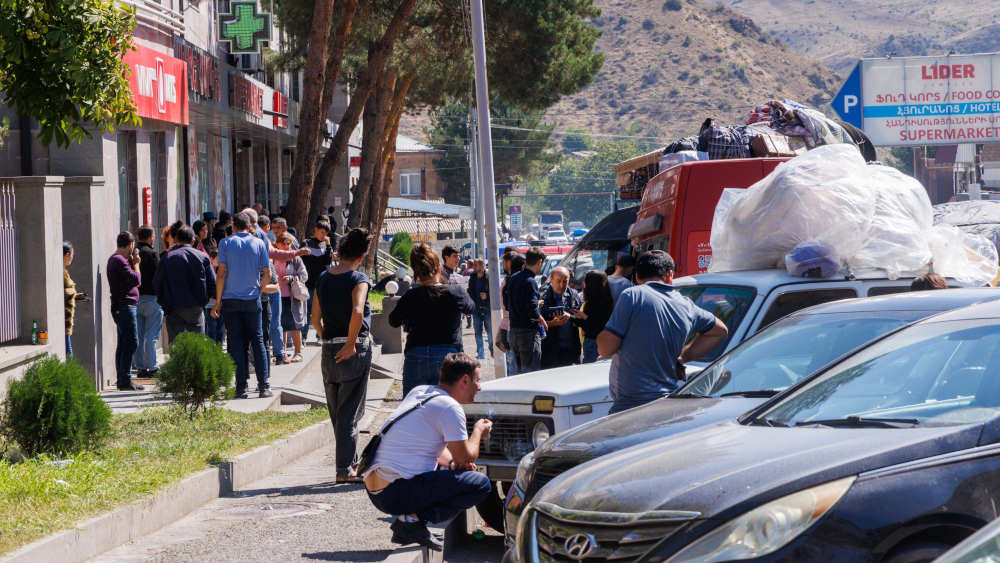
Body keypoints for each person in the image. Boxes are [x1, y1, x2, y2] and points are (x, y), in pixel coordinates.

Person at [364, 353, 493, 551]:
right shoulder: (450, 407)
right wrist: (478, 431)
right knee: (480, 485)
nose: (480, 387)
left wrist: (453, 464)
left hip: (377, 489)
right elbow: (466, 456)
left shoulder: (421, 391)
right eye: (478, 380)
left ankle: (410, 522)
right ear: (465, 380)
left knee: (458, 472)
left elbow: (431, 449)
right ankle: (411, 522)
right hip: (394, 493)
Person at [597, 250, 728, 413]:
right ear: (669, 275)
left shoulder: (633, 295)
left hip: (631, 407)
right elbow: (720, 330)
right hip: (667, 406)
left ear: (637, 276)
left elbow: (605, 349)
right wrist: (683, 357)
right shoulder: (687, 305)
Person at [312, 228, 374, 483]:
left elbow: (315, 319)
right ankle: (344, 469)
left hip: (328, 348)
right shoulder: (359, 279)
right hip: (354, 348)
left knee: (338, 412)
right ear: (360, 256)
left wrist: (328, 337)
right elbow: (358, 311)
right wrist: (349, 343)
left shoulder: (324, 278)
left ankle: (350, 462)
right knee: (349, 410)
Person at [390, 244, 475, 395]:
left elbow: (393, 320)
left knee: (414, 405)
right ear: (439, 268)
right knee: (446, 404)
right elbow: (470, 308)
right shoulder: (454, 292)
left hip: (416, 353)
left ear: (416, 272)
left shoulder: (411, 296)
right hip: (448, 356)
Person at [211, 212, 272, 399]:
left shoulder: (225, 243)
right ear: (250, 226)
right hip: (252, 299)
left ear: (234, 226)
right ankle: (264, 386)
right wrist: (259, 290)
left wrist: (218, 301)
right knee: (258, 341)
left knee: (236, 343)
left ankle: (241, 387)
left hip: (230, 300)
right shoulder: (259, 243)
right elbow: (268, 273)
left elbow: (221, 273)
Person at [154, 226, 216, 343]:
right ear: (193, 241)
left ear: (176, 240)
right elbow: (212, 283)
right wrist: (205, 301)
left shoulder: (167, 257)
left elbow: (158, 284)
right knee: (197, 346)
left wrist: (165, 305)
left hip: (173, 308)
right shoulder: (202, 257)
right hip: (196, 308)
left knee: (177, 346)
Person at [108, 232, 145, 391]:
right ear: (130, 245)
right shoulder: (119, 260)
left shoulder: (118, 260)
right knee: (131, 342)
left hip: (122, 306)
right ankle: (125, 379)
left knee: (124, 343)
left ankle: (123, 379)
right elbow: (137, 280)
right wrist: (136, 264)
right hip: (125, 306)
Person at [504, 247, 548, 374]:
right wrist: (542, 320)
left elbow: (508, 304)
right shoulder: (531, 281)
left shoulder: (513, 278)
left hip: (513, 332)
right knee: (530, 374)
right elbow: (532, 310)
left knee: (519, 374)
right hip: (528, 334)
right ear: (540, 262)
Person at [274, 233, 308, 363]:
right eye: (283, 243)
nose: (286, 246)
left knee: (294, 325)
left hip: (292, 296)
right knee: (279, 325)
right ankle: (281, 353)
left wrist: (292, 278)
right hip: (276, 295)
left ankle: (298, 352)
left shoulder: (295, 259)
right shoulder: (273, 258)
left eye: (288, 244)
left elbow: (304, 275)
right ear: (277, 244)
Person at [540, 266, 582, 369]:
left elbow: (581, 319)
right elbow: (534, 326)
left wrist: (571, 317)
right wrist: (551, 323)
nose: (562, 285)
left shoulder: (574, 295)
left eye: (565, 281)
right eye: (558, 281)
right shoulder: (542, 299)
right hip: (550, 353)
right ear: (551, 280)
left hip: (571, 350)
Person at [134, 225, 162, 379]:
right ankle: (152, 366)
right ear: (151, 237)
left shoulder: (133, 254)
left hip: (136, 298)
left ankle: (140, 367)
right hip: (152, 298)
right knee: (151, 336)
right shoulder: (152, 254)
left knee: (138, 335)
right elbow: (159, 277)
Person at [300, 221, 335, 343]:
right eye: (321, 232)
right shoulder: (306, 243)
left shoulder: (326, 245)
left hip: (322, 282)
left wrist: (329, 246)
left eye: (325, 233)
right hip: (309, 282)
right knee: (307, 311)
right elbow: (303, 260)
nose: (323, 235)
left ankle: (321, 336)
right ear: (315, 229)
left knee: (323, 311)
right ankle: (303, 337)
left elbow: (328, 261)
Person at [573, 270, 614, 363]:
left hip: (593, 342)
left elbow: (592, 325)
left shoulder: (593, 302)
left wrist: (572, 318)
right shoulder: (607, 299)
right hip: (604, 342)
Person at [498, 250, 523, 376]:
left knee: (512, 365)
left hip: (507, 326)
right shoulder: (511, 282)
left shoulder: (507, 281)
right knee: (514, 367)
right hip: (512, 328)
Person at [467, 259, 493, 359]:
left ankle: (492, 351)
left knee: (490, 331)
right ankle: (481, 353)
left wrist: (487, 296)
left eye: (475, 265)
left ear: (482, 266)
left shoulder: (489, 276)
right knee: (478, 331)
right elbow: (470, 291)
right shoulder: (472, 277)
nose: (473, 267)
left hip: (487, 307)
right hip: (476, 308)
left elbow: (495, 292)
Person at [64, 241, 83, 358]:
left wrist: (75, 296)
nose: (72, 257)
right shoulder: (61, 273)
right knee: (69, 356)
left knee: (69, 354)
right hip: (63, 322)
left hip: (66, 323)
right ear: (67, 255)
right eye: (72, 254)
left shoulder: (64, 272)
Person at [204, 249, 225, 345]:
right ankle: (212, 348)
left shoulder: (221, 269)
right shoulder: (207, 270)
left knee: (220, 328)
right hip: (210, 303)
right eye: (218, 258)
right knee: (211, 328)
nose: (220, 261)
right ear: (211, 259)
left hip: (220, 303)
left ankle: (219, 348)